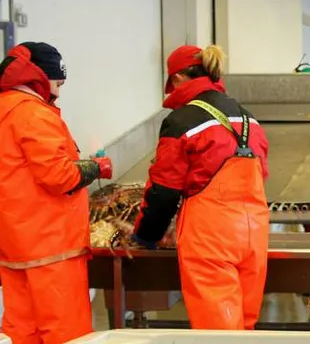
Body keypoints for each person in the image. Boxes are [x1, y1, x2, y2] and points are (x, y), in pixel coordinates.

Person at [130, 44, 271, 330]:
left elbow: (164, 189)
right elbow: (261, 174)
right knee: (245, 328)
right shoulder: (248, 118)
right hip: (254, 235)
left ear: (179, 78)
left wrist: (147, 235)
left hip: (211, 237)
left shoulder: (182, 121)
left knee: (217, 332)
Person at [0, 42, 113, 343]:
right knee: (66, 333)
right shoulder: (34, 113)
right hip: (52, 248)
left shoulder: (3, 110)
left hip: (13, 248)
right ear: (38, 76)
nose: (59, 92)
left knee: (20, 332)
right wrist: (95, 167)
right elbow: (58, 176)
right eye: (58, 82)